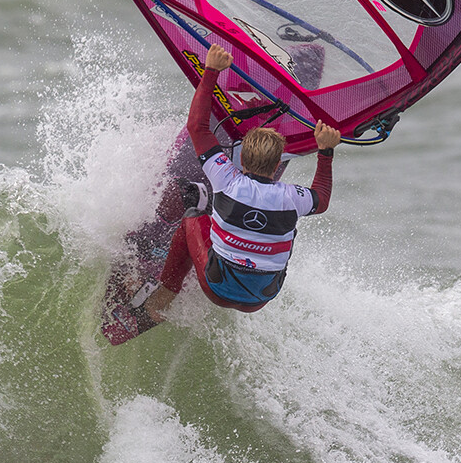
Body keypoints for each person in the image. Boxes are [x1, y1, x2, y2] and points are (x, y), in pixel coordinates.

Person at [141, 43, 340, 322]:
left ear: (241, 160)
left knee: (192, 216)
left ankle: (163, 298)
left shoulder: (227, 180)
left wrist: (211, 71)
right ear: (277, 166)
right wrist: (325, 151)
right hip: (261, 298)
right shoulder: (293, 197)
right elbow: (322, 198)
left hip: (216, 288)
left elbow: (198, 127)